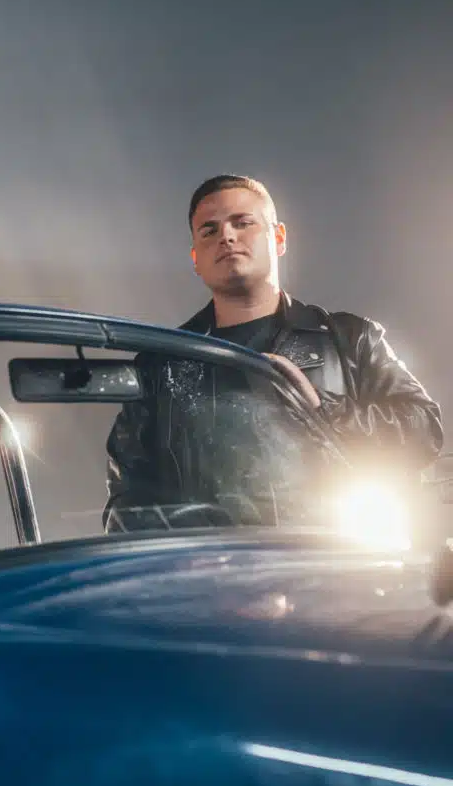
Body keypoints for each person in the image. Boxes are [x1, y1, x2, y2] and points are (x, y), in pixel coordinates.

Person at [104, 173, 442, 530]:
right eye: (209, 230)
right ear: (195, 258)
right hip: (208, 562)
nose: (227, 236)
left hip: (333, 556)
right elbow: (127, 500)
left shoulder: (350, 340)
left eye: (242, 223)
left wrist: (322, 407)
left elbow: (425, 433)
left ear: (278, 238)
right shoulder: (162, 363)